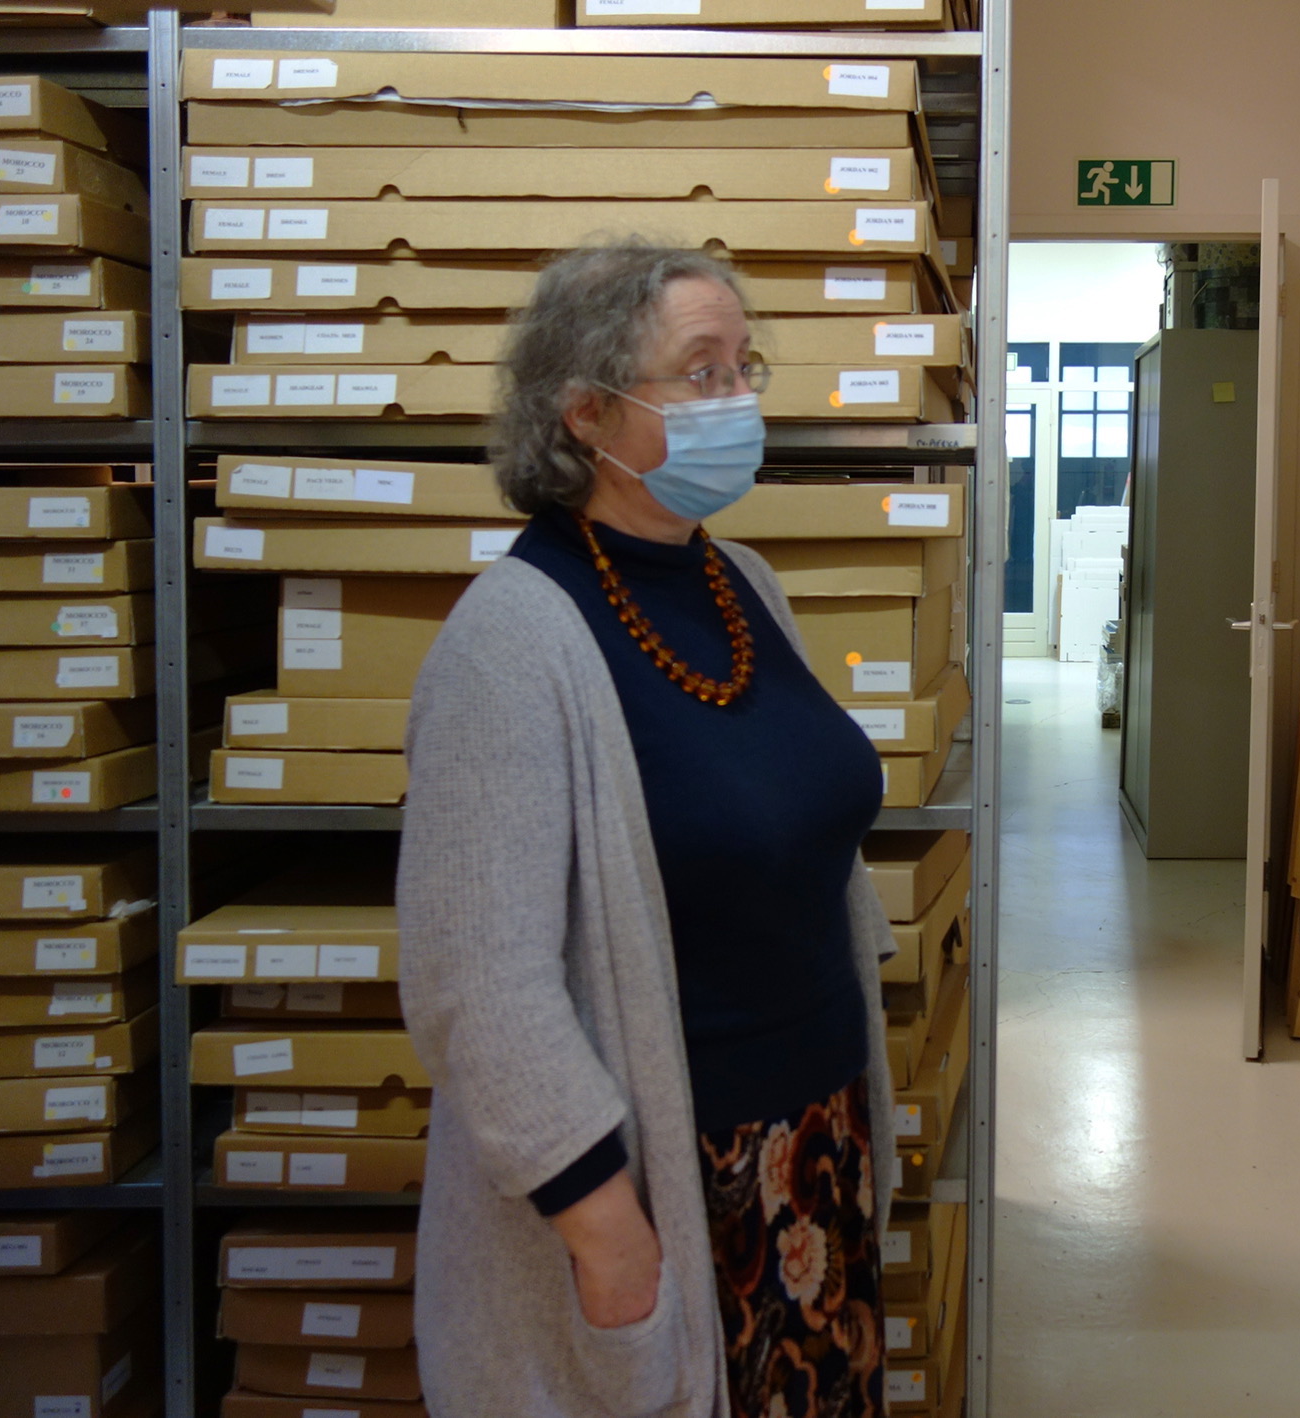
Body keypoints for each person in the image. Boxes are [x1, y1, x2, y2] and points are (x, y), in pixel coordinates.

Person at [398, 241, 896, 1418]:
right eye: (700, 372)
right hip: (665, 1180)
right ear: (585, 413)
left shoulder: (744, 583)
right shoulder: (508, 643)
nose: (739, 400)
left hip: (809, 1149)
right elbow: (479, 982)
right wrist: (603, 1226)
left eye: (744, 366)